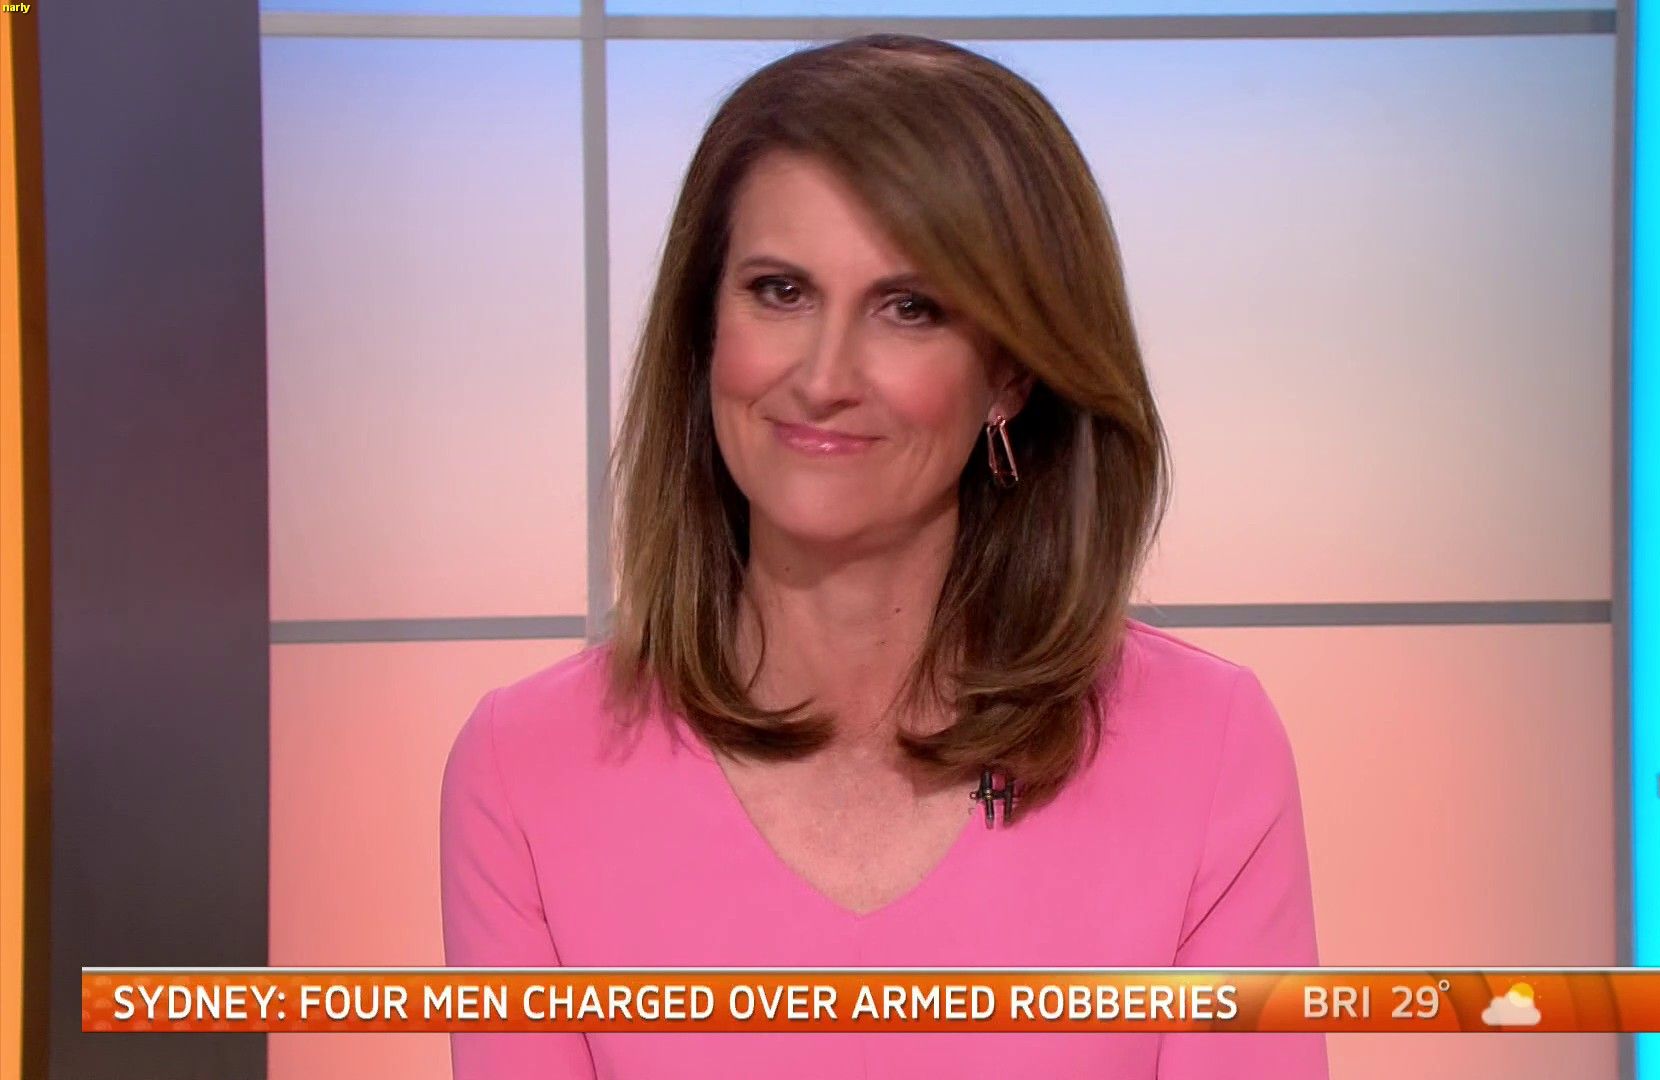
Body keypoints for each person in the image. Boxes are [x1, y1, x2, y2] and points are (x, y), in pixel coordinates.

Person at [439, 32, 1326, 1079]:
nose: (824, 378)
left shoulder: (1207, 750)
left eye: (910, 308)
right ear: (706, 330)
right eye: (780, 291)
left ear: (1012, 375)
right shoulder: (525, 770)